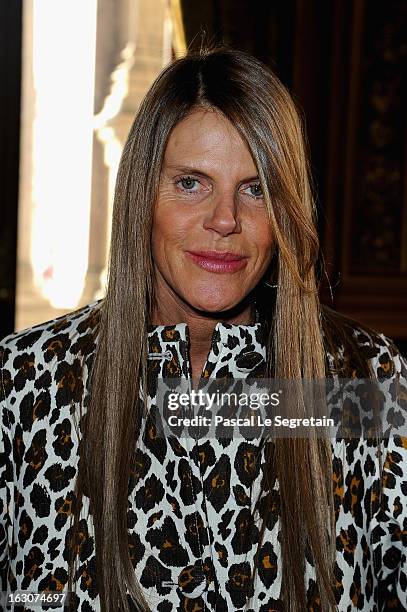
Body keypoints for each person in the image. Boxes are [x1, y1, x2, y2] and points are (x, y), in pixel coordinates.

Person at [1, 46, 406, 612]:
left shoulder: (364, 382)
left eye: (256, 187)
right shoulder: (27, 383)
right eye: (192, 183)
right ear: (143, 194)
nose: (225, 219)